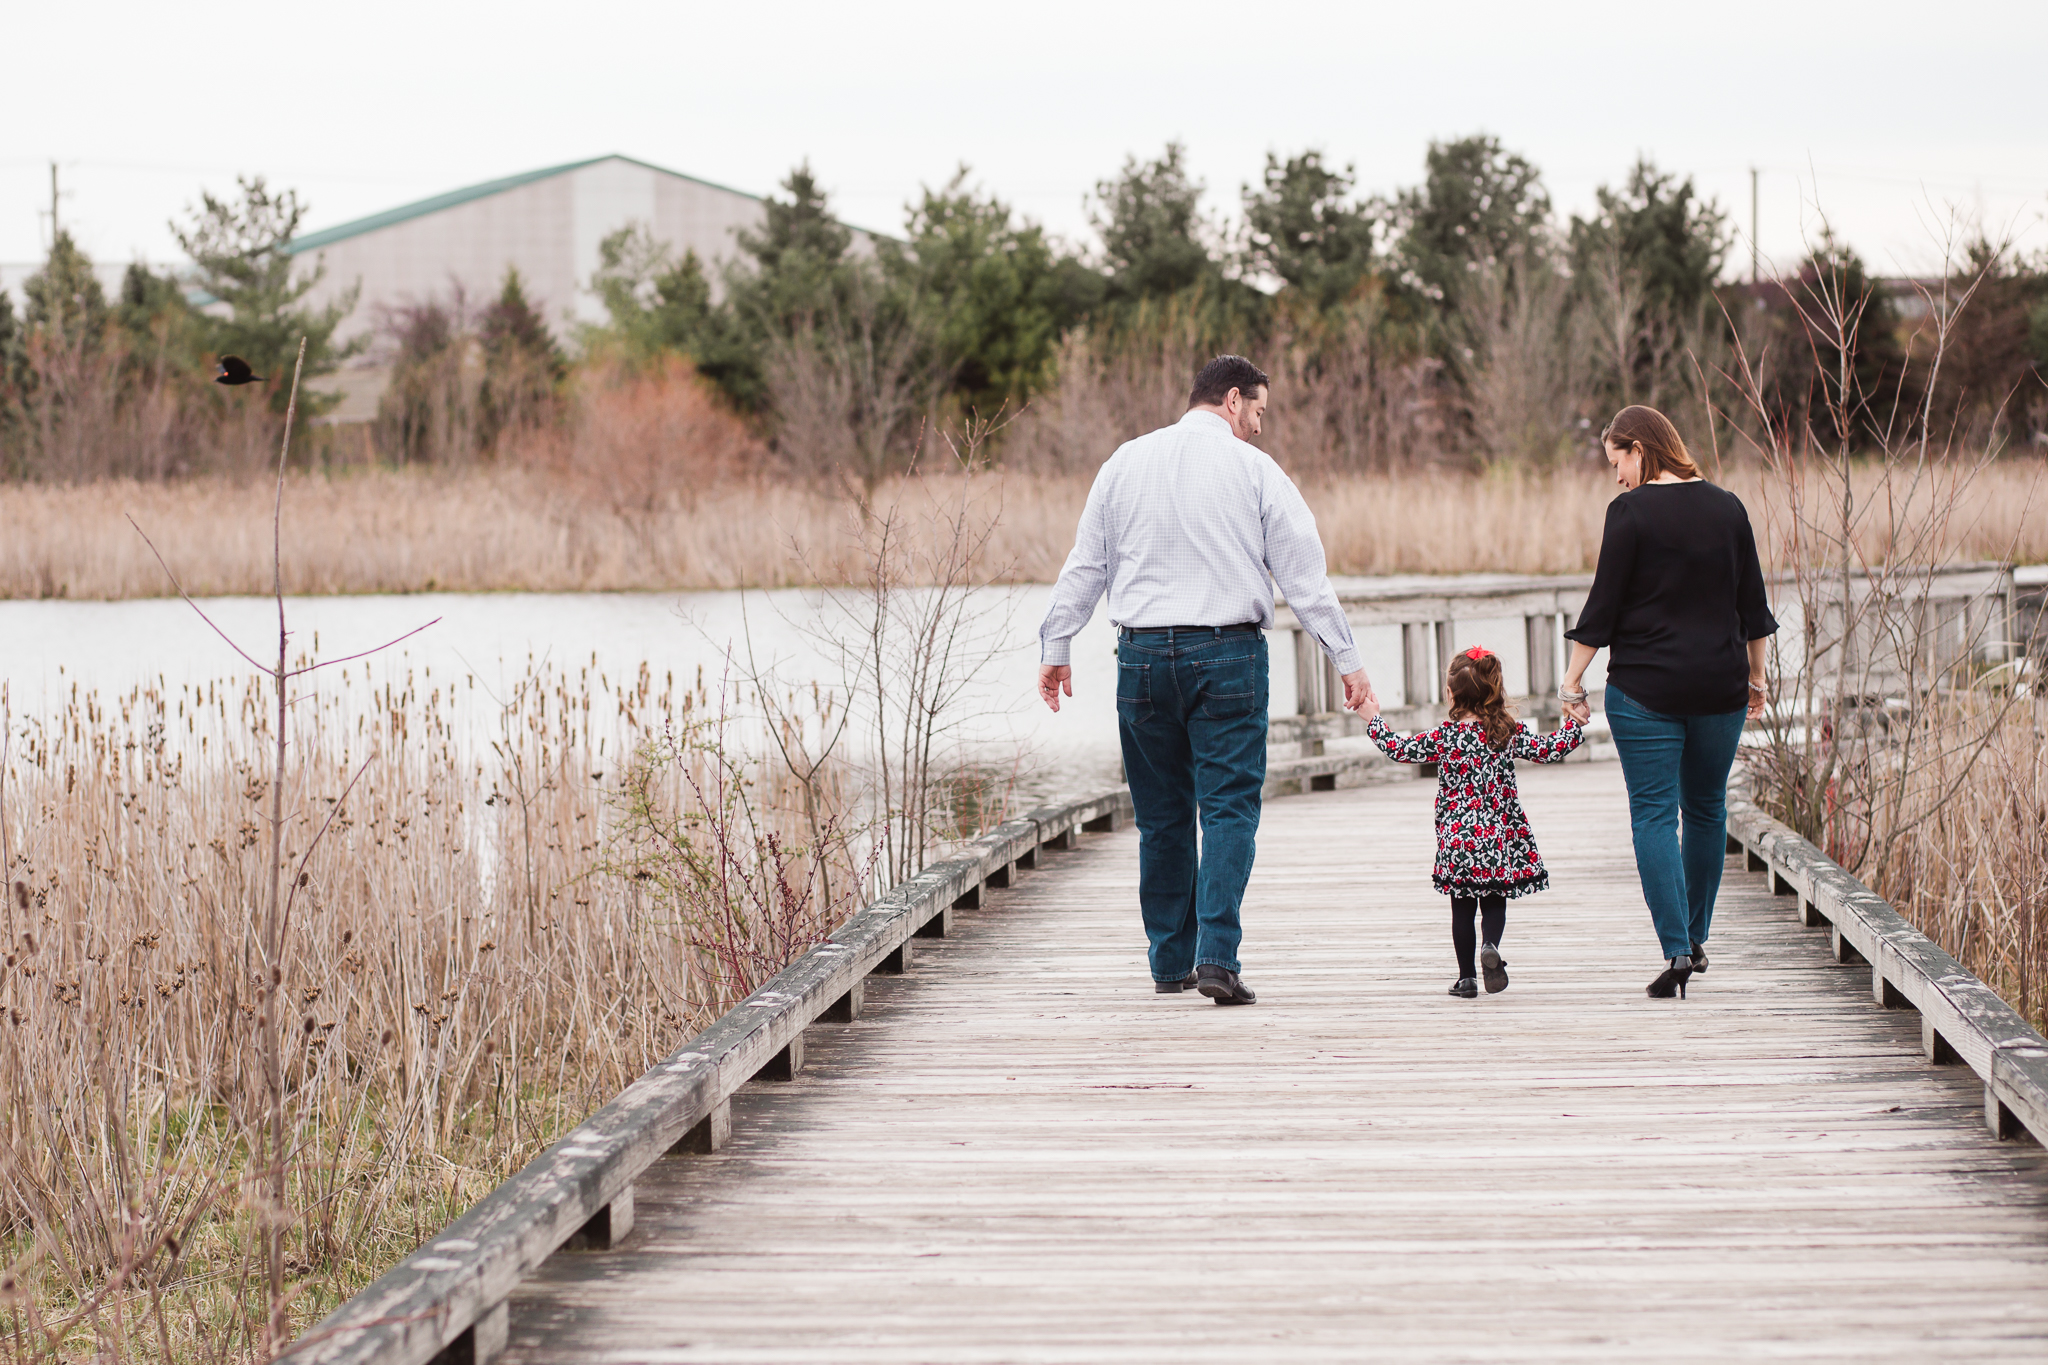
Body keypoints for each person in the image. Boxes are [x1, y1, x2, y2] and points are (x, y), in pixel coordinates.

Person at [1036, 355, 1377, 1005]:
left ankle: (1170, 963)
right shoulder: (1255, 471)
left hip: (1140, 658)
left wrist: (1057, 644)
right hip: (1226, 657)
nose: (1259, 427)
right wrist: (1347, 660)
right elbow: (1305, 578)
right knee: (1227, 808)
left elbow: (1086, 565)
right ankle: (1217, 958)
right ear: (1232, 399)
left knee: (1161, 817)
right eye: (1259, 411)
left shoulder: (1124, 462)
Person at [1558, 405, 1778, 1000]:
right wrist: (1756, 680)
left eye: (1618, 462)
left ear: (1640, 449)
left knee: (1654, 814)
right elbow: (1753, 608)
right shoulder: (1729, 507)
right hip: (1719, 688)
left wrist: (1572, 682)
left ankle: (1677, 947)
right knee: (1706, 810)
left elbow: (1602, 607)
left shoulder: (1629, 513)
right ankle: (1696, 938)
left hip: (1645, 691)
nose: (1617, 476)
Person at [1365, 647, 1583, 997]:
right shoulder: (1505, 731)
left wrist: (1373, 718)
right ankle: (1490, 945)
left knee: (1462, 909)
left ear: (1451, 693)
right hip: (1495, 837)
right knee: (1494, 900)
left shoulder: (1444, 736)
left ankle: (1466, 979)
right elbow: (1548, 750)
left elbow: (1398, 749)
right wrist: (1575, 724)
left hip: (1457, 838)